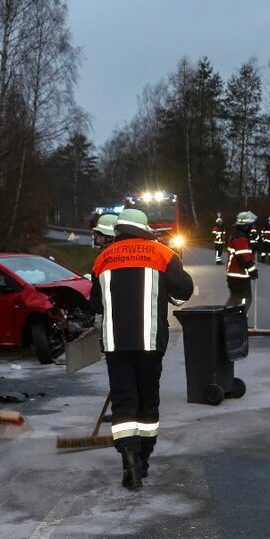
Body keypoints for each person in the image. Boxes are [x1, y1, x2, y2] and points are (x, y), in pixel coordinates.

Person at [90, 208, 193, 490]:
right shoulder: (162, 254)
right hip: (150, 342)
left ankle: (129, 461)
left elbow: (95, 304)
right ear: (144, 229)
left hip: (116, 343)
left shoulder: (102, 259)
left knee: (124, 402)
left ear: (119, 230)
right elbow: (184, 290)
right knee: (148, 400)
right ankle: (144, 461)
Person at [225, 211, 259, 310]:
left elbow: (243, 252)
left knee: (235, 299)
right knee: (245, 299)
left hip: (235, 274)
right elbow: (244, 257)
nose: (252, 227)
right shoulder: (240, 237)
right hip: (239, 275)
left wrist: (252, 247)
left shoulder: (238, 234)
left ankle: (231, 320)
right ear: (246, 226)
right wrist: (252, 270)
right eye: (251, 225)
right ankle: (235, 320)